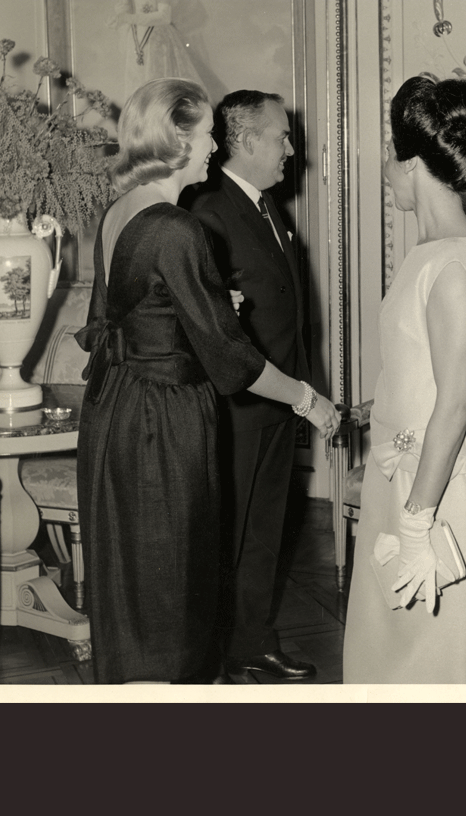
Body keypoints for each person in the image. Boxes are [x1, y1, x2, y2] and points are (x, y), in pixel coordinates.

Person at [75, 78, 339, 685]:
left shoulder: (122, 211)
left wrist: (210, 304)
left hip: (117, 410)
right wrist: (309, 401)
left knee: (137, 586)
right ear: (177, 140)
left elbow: (117, 319)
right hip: (163, 422)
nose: (216, 148)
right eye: (206, 135)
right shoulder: (176, 226)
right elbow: (231, 360)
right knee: (177, 588)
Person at [343, 76, 466, 684]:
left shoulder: (452, 264)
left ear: (412, 164)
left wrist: (418, 524)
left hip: (441, 498)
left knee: (449, 668)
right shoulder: (432, 255)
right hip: (410, 482)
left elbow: (455, 406)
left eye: (388, 161)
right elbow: (427, 377)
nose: (384, 174)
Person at [184, 90, 321, 681]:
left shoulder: (268, 207)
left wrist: (301, 390)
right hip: (236, 406)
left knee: (264, 532)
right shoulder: (207, 212)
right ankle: (209, 657)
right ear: (242, 141)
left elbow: (285, 308)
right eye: (281, 136)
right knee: (226, 537)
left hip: (276, 400)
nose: (291, 148)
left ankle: (252, 642)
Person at [108, 0, 203, 102]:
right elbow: (124, 6)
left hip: (156, 38)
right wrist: (118, 18)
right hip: (134, 39)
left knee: (160, 94)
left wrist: (126, 18)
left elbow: (164, 16)